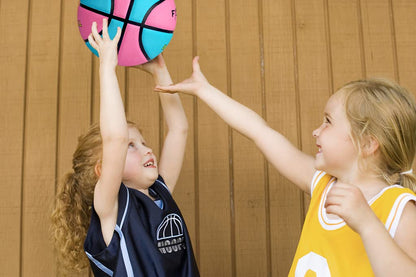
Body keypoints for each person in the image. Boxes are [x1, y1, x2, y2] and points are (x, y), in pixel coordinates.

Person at [155, 57, 416, 276]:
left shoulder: (399, 208)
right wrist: (205, 90)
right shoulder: (322, 185)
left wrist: (368, 224)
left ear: (369, 143)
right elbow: (260, 132)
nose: (316, 131)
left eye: (328, 121)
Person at [51, 19, 199, 276]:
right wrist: (107, 66)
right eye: (132, 146)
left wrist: (159, 71)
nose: (147, 149)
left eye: (143, 142)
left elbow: (178, 129)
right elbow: (115, 139)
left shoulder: (159, 192)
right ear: (103, 168)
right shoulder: (111, 208)